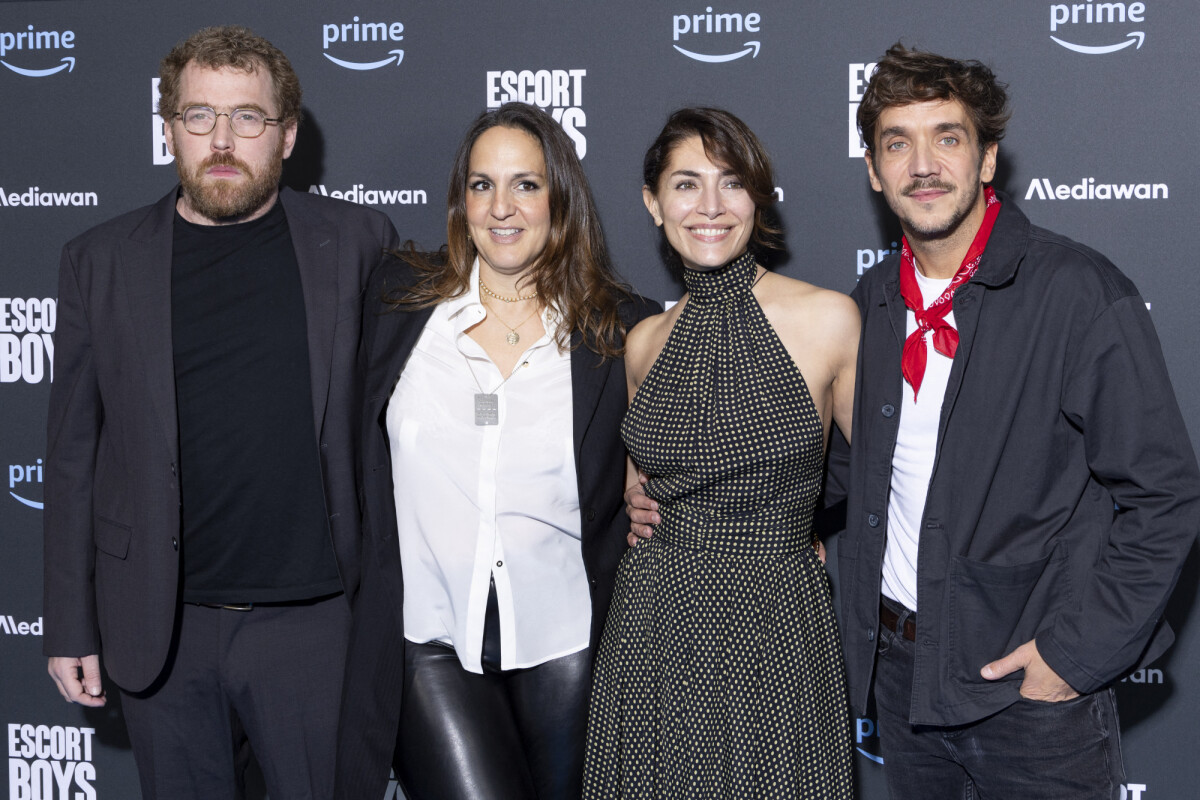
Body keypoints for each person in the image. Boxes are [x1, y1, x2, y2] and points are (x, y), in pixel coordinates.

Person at [42, 25, 399, 800]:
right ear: (169, 129)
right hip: (163, 627)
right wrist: (70, 624)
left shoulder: (360, 241)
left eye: (249, 118)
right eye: (199, 116)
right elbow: (72, 458)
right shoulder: (99, 260)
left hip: (315, 622)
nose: (223, 139)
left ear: (289, 135)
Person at [835, 44, 1198, 799]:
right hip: (900, 683)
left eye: (949, 137)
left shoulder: (1077, 292)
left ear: (988, 159)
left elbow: (1165, 497)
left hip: (1027, 700)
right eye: (898, 143)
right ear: (873, 170)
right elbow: (846, 469)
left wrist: (1073, 655)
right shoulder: (868, 301)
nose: (923, 164)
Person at [334, 101, 658, 800]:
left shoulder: (620, 328)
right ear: (460, 201)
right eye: (482, 185)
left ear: (560, 199)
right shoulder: (398, 299)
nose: (502, 207)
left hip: (568, 641)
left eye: (526, 185)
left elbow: (675, 460)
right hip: (428, 635)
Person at [584, 107, 859, 798]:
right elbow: (638, 481)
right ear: (653, 203)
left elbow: (892, 482)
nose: (710, 206)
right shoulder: (643, 340)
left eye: (731, 183)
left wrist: (822, 540)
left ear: (757, 199)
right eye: (685, 184)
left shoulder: (828, 319)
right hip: (654, 620)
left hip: (775, 616)